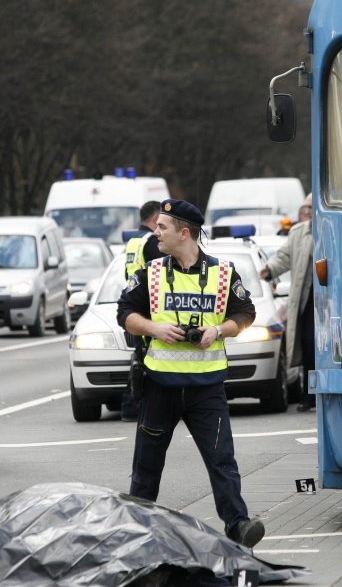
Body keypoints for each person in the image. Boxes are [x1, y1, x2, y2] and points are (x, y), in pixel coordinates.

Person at [117, 199, 265, 548]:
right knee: (147, 467)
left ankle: (238, 525)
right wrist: (153, 328)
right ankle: (138, 530)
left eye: (162, 227)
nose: (156, 232)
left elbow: (246, 313)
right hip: (160, 386)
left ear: (185, 233)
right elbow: (125, 313)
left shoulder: (223, 273)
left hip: (206, 388)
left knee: (221, 460)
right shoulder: (150, 273)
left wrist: (219, 330)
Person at [260, 194, 315, 411]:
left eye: (312, 207)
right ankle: (309, 395)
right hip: (306, 301)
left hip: (331, 301)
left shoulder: (333, 228)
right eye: (306, 207)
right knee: (308, 346)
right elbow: (284, 256)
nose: (309, 211)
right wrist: (270, 269)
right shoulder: (298, 232)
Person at [120, 201, 165, 422]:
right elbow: (162, 272)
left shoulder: (133, 241)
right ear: (156, 218)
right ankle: (133, 405)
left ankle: (132, 405)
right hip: (148, 305)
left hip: (134, 302)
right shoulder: (151, 242)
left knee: (140, 355)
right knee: (146, 357)